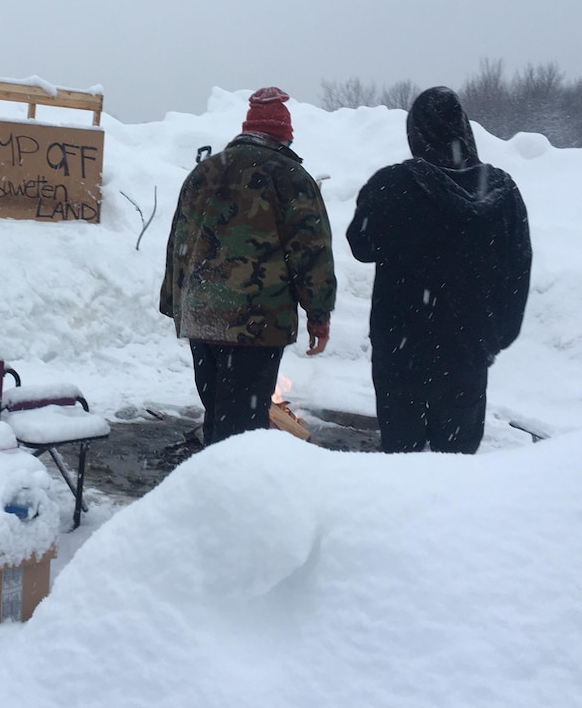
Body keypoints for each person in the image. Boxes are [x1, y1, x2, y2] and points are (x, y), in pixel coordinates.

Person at [346, 86, 532, 454]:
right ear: (464, 130)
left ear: (415, 134)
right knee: (458, 463)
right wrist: (495, 337)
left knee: (402, 457)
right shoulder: (503, 190)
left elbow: (361, 246)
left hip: (401, 346)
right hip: (468, 347)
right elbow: (518, 271)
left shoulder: (394, 184)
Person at [160, 87, 337, 446]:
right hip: (257, 324)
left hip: (202, 318)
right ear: (284, 135)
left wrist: (175, 304)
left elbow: (180, 243)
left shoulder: (204, 172)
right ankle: (231, 492)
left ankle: (208, 484)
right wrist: (318, 312)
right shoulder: (290, 177)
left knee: (217, 416)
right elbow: (311, 250)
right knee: (242, 433)